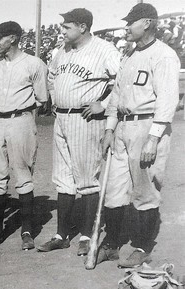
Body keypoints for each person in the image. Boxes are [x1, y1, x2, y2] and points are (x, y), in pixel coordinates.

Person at [98, 3, 180, 268]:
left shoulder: (164, 55)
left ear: (146, 23)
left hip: (147, 126)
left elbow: (167, 101)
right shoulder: (128, 56)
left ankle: (143, 246)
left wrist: (153, 138)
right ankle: (111, 244)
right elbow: (116, 96)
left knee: (145, 189)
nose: (126, 27)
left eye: (130, 22)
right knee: (113, 187)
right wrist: (110, 129)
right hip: (122, 126)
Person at [37, 8, 121, 256]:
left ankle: (86, 235)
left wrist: (103, 105)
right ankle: (61, 235)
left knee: (87, 179)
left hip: (86, 118)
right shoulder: (60, 51)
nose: (62, 31)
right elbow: (51, 77)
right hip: (61, 117)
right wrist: (55, 99)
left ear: (83, 27)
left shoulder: (104, 49)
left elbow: (120, 81)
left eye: (67, 27)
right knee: (63, 178)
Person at [0, 21, 48, 250]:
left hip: (21, 121)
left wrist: (22, 111)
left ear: (14, 39)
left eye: (0, 37)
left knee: (23, 175)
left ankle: (27, 231)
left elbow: (42, 99)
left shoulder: (34, 63)